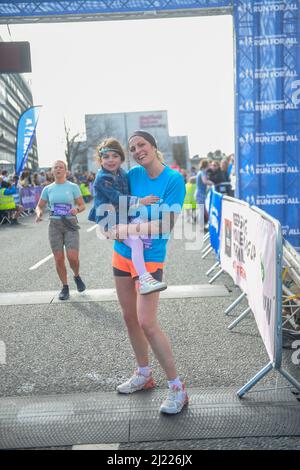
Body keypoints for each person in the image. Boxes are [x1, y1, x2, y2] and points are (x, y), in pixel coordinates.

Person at [107, 130, 188, 415]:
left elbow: (166, 224)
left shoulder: (174, 179)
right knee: (130, 318)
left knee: (147, 323)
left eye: (142, 145)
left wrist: (127, 228)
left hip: (150, 260)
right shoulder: (132, 176)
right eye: (132, 148)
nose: (138, 150)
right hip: (122, 254)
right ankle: (143, 374)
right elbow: (116, 205)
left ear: (154, 146)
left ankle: (177, 388)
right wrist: (110, 223)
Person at [89, 137, 167, 295]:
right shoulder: (102, 178)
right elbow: (117, 199)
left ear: (121, 158)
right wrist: (141, 201)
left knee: (139, 228)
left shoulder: (122, 173)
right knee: (136, 243)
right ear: (100, 160)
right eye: (106, 157)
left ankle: (143, 275)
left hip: (122, 217)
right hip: (109, 219)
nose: (110, 160)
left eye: (115, 156)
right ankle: (144, 279)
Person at [35, 160, 86, 301]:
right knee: (58, 258)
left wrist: (77, 209)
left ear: (66, 170)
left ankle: (76, 275)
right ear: (52, 171)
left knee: (72, 257)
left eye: (61, 167)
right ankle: (65, 287)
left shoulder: (73, 186)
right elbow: (39, 206)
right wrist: (39, 213)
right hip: (54, 225)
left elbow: (82, 205)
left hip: (70, 224)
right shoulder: (48, 189)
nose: (58, 169)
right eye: (55, 167)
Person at [196, 159, 212, 224]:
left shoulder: (200, 172)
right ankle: (201, 226)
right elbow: (204, 181)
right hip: (201, 194)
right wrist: (212, 183)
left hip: (200, 194)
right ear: (206, 165)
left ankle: (201, 225)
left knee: (202, 210)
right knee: (202, 211)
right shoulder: (202, 172)